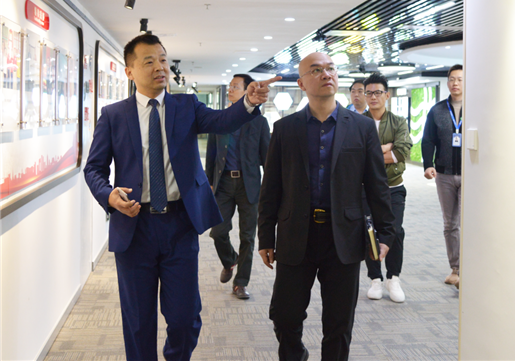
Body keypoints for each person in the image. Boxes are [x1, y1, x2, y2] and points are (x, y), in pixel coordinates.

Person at [83, 34, 279, 361]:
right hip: (134, 227)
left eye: (162, 59)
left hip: (179, 224)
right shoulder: (113, 115)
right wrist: (109, 196)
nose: (160, 67)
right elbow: (93, 168)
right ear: (129, 71)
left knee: (185, 319)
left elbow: (222, 121)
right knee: (138, 321)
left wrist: (248, 101)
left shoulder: (186, 106)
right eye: (149, 61)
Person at [258, 52, 395, 361]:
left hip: (343, 236)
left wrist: (386, 233)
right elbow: (272, 188)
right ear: (301, 83)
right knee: (284, 316)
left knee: (339, 322)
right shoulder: (284, 128)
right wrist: (265, 236)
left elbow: (377, 185)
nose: (326, 74)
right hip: (296, 234)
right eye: (316, 70)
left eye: (331, 68)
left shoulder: (362, 127)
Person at [205, 74, 270, 299]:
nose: (230, 89)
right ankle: (230, 260)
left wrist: (270, 189)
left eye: (235, 86)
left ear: (247, 91)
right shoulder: (220, 119)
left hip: (248, 185)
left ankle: (241, 283)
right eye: (230, 86)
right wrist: (209, 182)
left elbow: (267, 158)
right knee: (218, 232)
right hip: (223, 184)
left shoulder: (259, 122)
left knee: (248, 237)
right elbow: (211, 154)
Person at [361, 73, 412, 303]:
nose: (373, 97)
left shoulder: (398, 121)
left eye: (378, 92)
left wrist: (372, 154)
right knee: (369, 231)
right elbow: (354, 156)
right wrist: (385, 148)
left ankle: (393, 278)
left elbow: (401, 152)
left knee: (395, 231)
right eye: (369, 93)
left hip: (393, 186)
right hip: (365, 188)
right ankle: (375, 279)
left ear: (387, 95)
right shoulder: (358, 122)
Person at [421, 64, 463, 289]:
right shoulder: (437, 110)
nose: (455, 83)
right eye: (452, 79)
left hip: (470, 175)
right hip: (444, 175)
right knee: (450, 224)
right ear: (447, 82)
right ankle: (455, 269)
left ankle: (470, 269)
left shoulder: (477, 107)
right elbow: (428, 140)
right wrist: (428, 164)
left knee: (469, 223)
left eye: (460, 79)